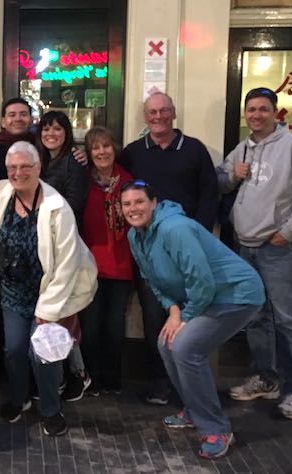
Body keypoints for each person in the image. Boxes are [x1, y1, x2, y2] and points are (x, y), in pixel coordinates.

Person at [122, 180, 265, 459]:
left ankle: (216, 429)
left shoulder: (175, 228)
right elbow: (153, 281)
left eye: (139, 201)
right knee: (166, 342)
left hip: (237, 294)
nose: (133, 208)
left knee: (186, 347)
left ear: (154, 203)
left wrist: (185, 317)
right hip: (206, 297)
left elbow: (202, 282)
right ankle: (194, 408)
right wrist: (174, 312)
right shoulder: (135, 236)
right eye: (126, 204)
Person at [218, 87, 292, 420]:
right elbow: (220, 182)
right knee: (256, 316)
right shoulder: (242, 148)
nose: (257, 115)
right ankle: (266, 378)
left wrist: (288, 232)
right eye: (251, 109)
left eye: (263, 109)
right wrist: (231, 176)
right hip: (244, 247)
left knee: (287, 320)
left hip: (277, 248)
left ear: (275, 112)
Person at [0, 141, 98, 436]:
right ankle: (19, 398)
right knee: (13, 350)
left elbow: (67, 263)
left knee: (43, 354)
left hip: (48, 294)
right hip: (12, 293)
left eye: (25, 166)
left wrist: (48, 310)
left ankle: (50, 408)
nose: (18, 172)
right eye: (12, 167)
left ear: (38, 168)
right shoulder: (1, 194)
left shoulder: (57, 207)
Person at [119, 92, 219, 405]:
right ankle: (160, 382)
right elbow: (111, 176)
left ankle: (189, 385)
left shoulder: (194, 150)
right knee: (154, 318)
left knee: (191, 318)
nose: (158, 117)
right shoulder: (134, 152)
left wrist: (198, 236)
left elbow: (209, 195)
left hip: (187, 250)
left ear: (173, 113)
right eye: (152, 112)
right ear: (145, 117)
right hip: (150, 251)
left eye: (164, 111)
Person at [35, 110, 91, 401]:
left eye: (57, 129)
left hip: (64, 247)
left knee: (63, 313)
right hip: (44, 247)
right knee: (53, 313)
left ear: (67, 133)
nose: (51, 134)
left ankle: (77, 374)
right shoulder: (41, 161)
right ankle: (59, 375)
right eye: (46, 129)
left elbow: (74, 205)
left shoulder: (73, 162)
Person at [78, 126, 134, 396]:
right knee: (89, 327)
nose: (102, 152)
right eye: (95, 147)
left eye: (106, 146)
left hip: (121, 264)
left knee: (114, 325)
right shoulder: (82, 182)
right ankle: (92, 377)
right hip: (89, 265)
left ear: (115, 148)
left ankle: (112, 377)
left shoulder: (129, 182)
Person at [0, 98, 34, 180]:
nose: (18, 119)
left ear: (31, 120)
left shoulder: (39, 145)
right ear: (3, 122)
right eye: (12, 115)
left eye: (23, 114)